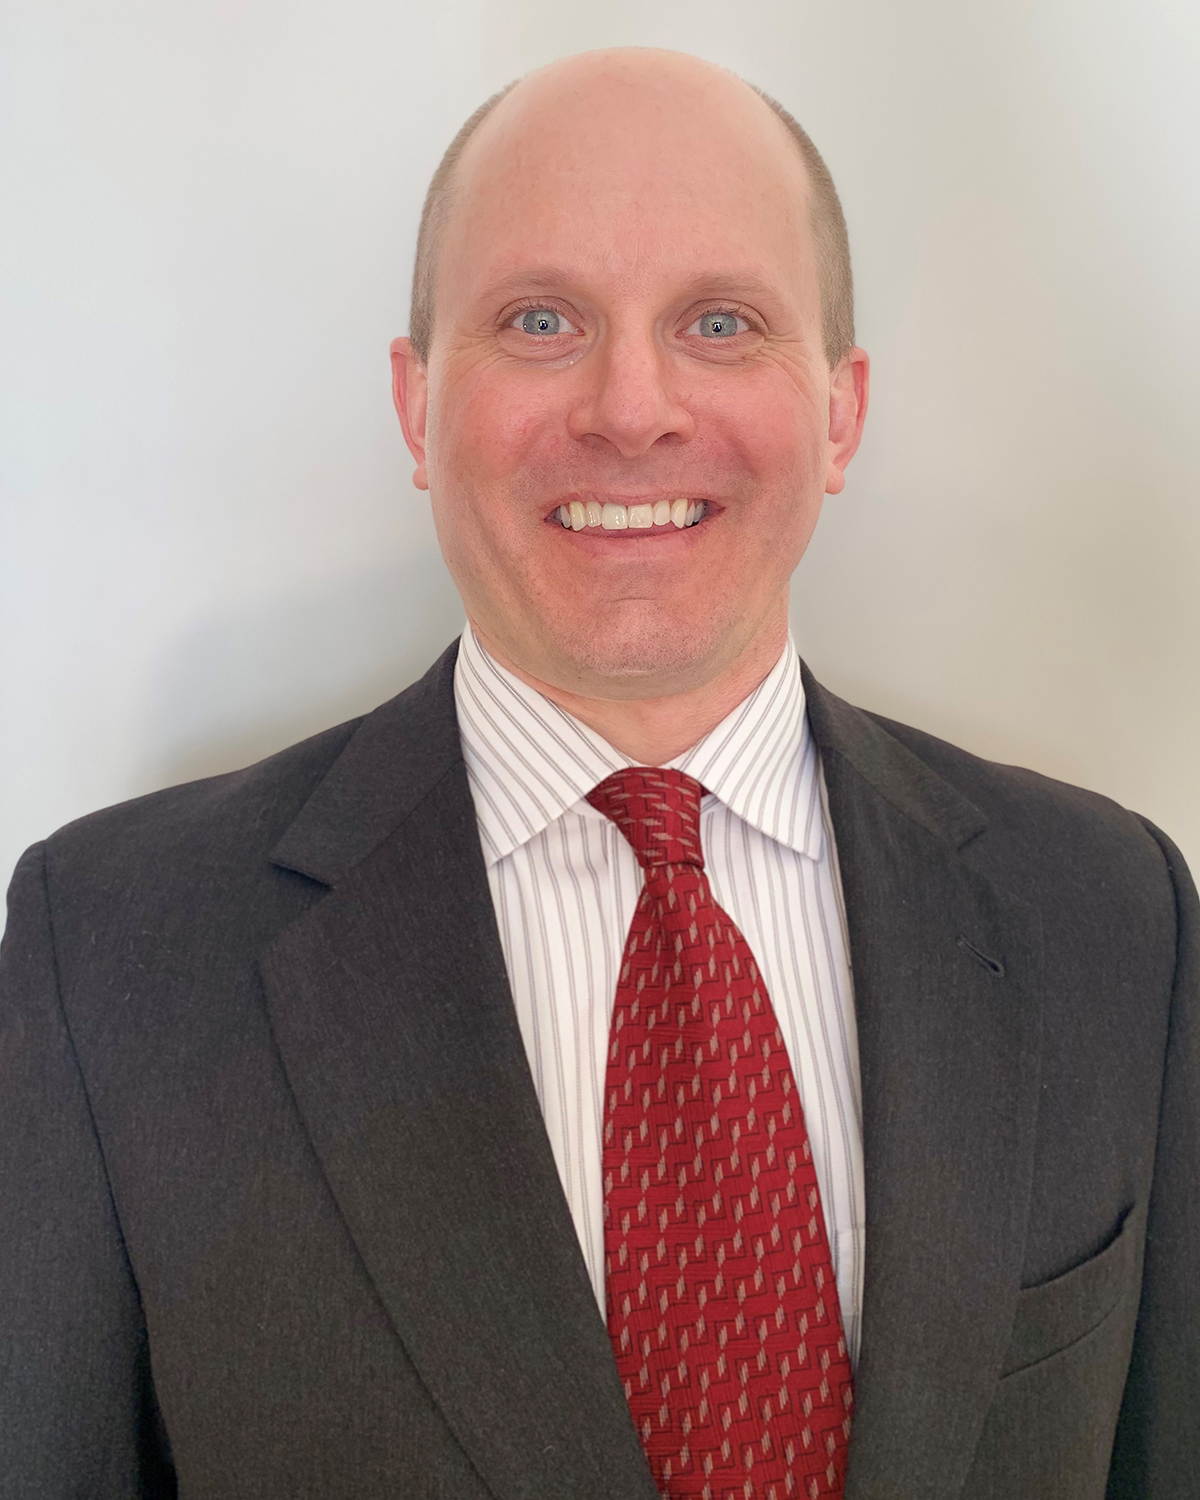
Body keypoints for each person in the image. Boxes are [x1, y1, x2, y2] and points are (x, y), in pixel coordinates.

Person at [1, 46, 1196, 1500]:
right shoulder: (105, 957)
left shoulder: (1115, 918)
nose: (632, 409)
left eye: (720, 321)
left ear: (840, 412)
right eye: (541, 319)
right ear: (416, 405)